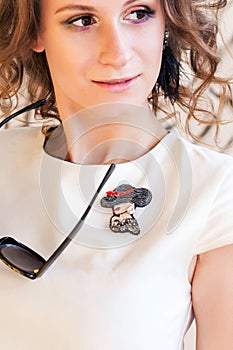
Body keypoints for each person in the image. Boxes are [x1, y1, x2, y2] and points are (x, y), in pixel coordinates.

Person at [0, 0, 232, 349]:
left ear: (166, 22)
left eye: (138, 13)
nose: (118, 54)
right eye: (83, 20)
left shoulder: (214, 191)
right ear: (35, 31)